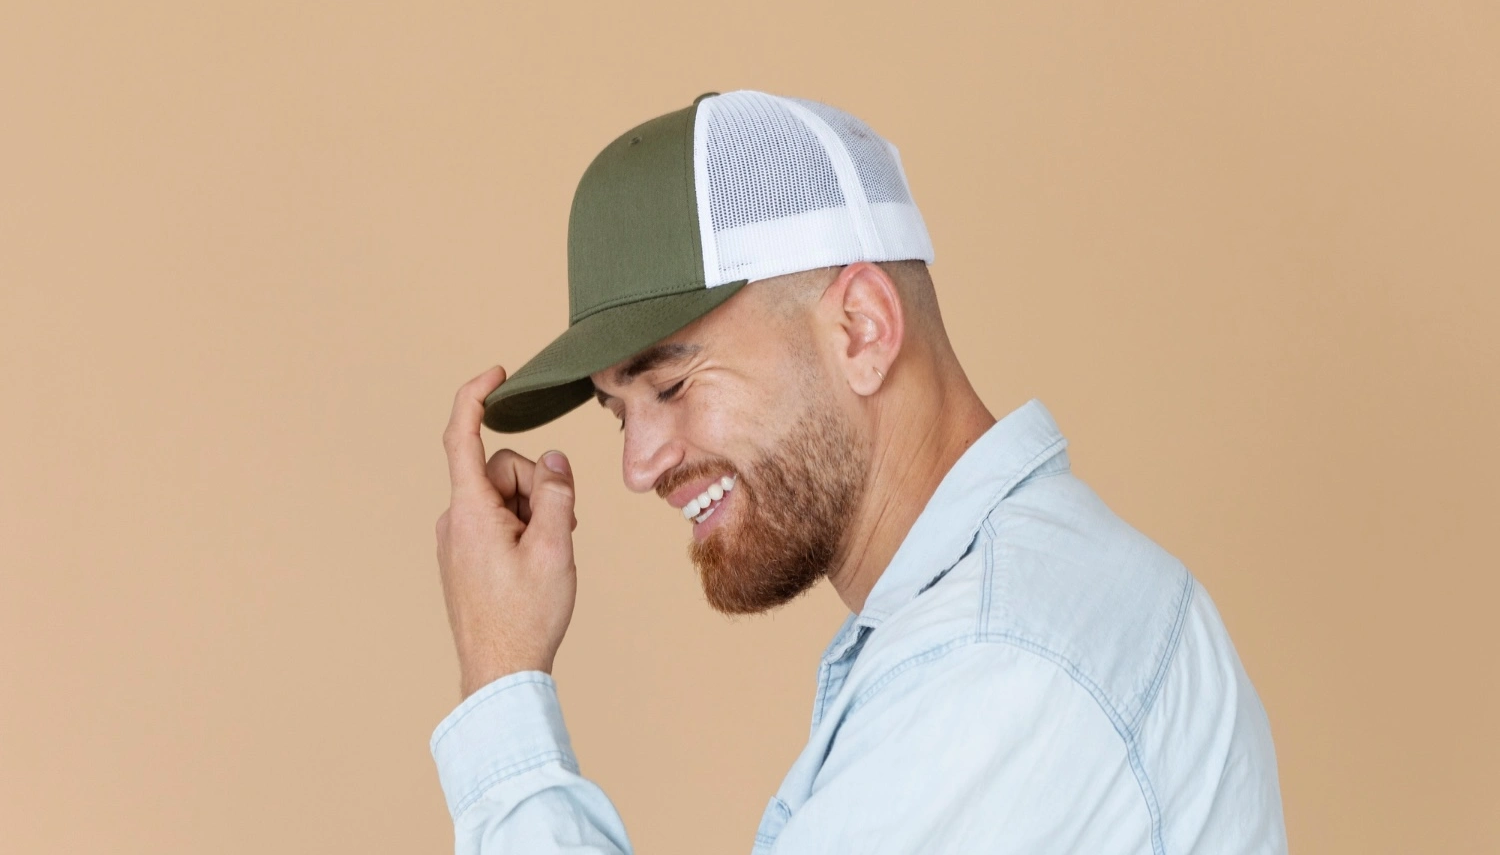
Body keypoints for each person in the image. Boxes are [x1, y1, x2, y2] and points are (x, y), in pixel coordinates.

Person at [431, 90, 1288, 853]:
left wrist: (502, 678)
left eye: (673, 384)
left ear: (863, 330)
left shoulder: (996, 668)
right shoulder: (1037, 598)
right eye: (620, 411)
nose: (638, 463)